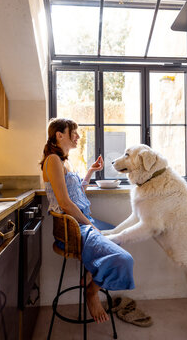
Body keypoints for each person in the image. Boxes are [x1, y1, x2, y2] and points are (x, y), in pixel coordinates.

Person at [40, 118, 135, 323]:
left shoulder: (64, 160)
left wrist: (91, 171)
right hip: (72, 228)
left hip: (82, 222)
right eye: (74, 132)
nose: (78, 136)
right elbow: (65, 203)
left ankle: (93, 272)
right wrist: (90, 225)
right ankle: (92, 291)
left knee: (119, 235)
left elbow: (77, 194)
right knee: (124, 259)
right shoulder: (53, 161)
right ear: (60, 135)